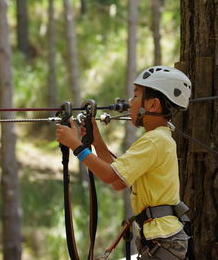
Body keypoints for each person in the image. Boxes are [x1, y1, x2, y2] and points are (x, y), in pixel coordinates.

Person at [56, 66, 192, 259]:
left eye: (136, 96)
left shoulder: (154, 141)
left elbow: (110, 175)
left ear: (153, 105)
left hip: (163, 240)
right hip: (160, 239)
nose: (130, 103)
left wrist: (75, 145)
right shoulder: (158, 139)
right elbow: (119, 181)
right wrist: (98, 143)